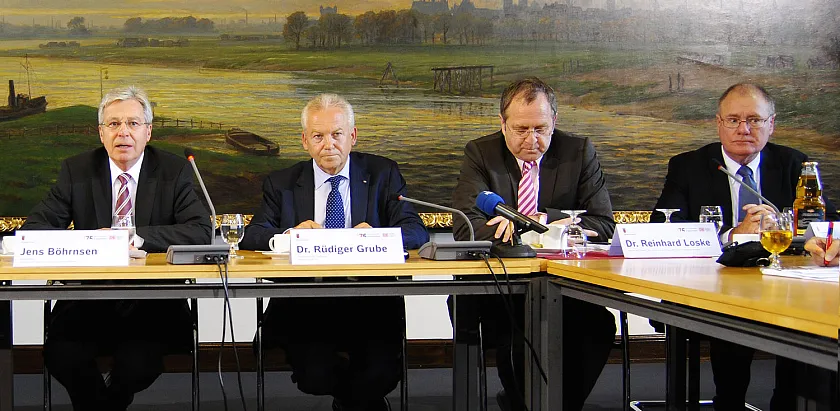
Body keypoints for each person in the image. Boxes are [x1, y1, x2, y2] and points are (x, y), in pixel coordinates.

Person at [21, 86, 212, 411]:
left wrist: (133, 239)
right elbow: (35, 231)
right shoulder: (77, 170)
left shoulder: (173, 170)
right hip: (87, 300)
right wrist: (95, 241)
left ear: (147, 131)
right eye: (113, 124)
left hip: (153, 302)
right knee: (62, 355)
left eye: (133, 123)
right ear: (101, 132)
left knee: (138, 363)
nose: (123, 132)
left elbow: (200, 231)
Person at [652, 83, 838, 410]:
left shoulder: (795, 164)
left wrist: (817, 239)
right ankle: (729, 402)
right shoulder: (688, 166)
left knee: (800, 327)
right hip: (716, 286)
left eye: (754, 120)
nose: (744, 129)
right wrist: (732, 234)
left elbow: (828, 223)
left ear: (772, 124)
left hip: (785, 286)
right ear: (718, 123)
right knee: (734, 317)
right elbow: (663, 229)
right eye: (734, 120)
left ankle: (786, 403)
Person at [240, 93, 428, 411]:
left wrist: (380, 236)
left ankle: (352, 400)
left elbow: (416, 231)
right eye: (318, 136)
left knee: (380, 375)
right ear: (304, 141)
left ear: (352, 136)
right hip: (305, 307)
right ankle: (355, 400)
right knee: (314, 376)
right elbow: (252, 237)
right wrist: (289, 236)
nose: (329, 144)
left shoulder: (383, 174)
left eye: (337, 134)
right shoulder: (282, 182)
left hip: (371, 304)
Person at [450, 77, 617, 411]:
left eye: (541, 128)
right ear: (503, 124)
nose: (532, 139)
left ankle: (560, 406)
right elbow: (464, 226)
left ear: (554, 122)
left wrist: (541, 220)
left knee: (599, 327)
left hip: (564, 286)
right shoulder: (481, 153)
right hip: (501, 288)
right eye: (521, 129)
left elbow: (602, 223)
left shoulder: (578, 152)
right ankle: (522, 402)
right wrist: (512, 232)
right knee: (519, 339)